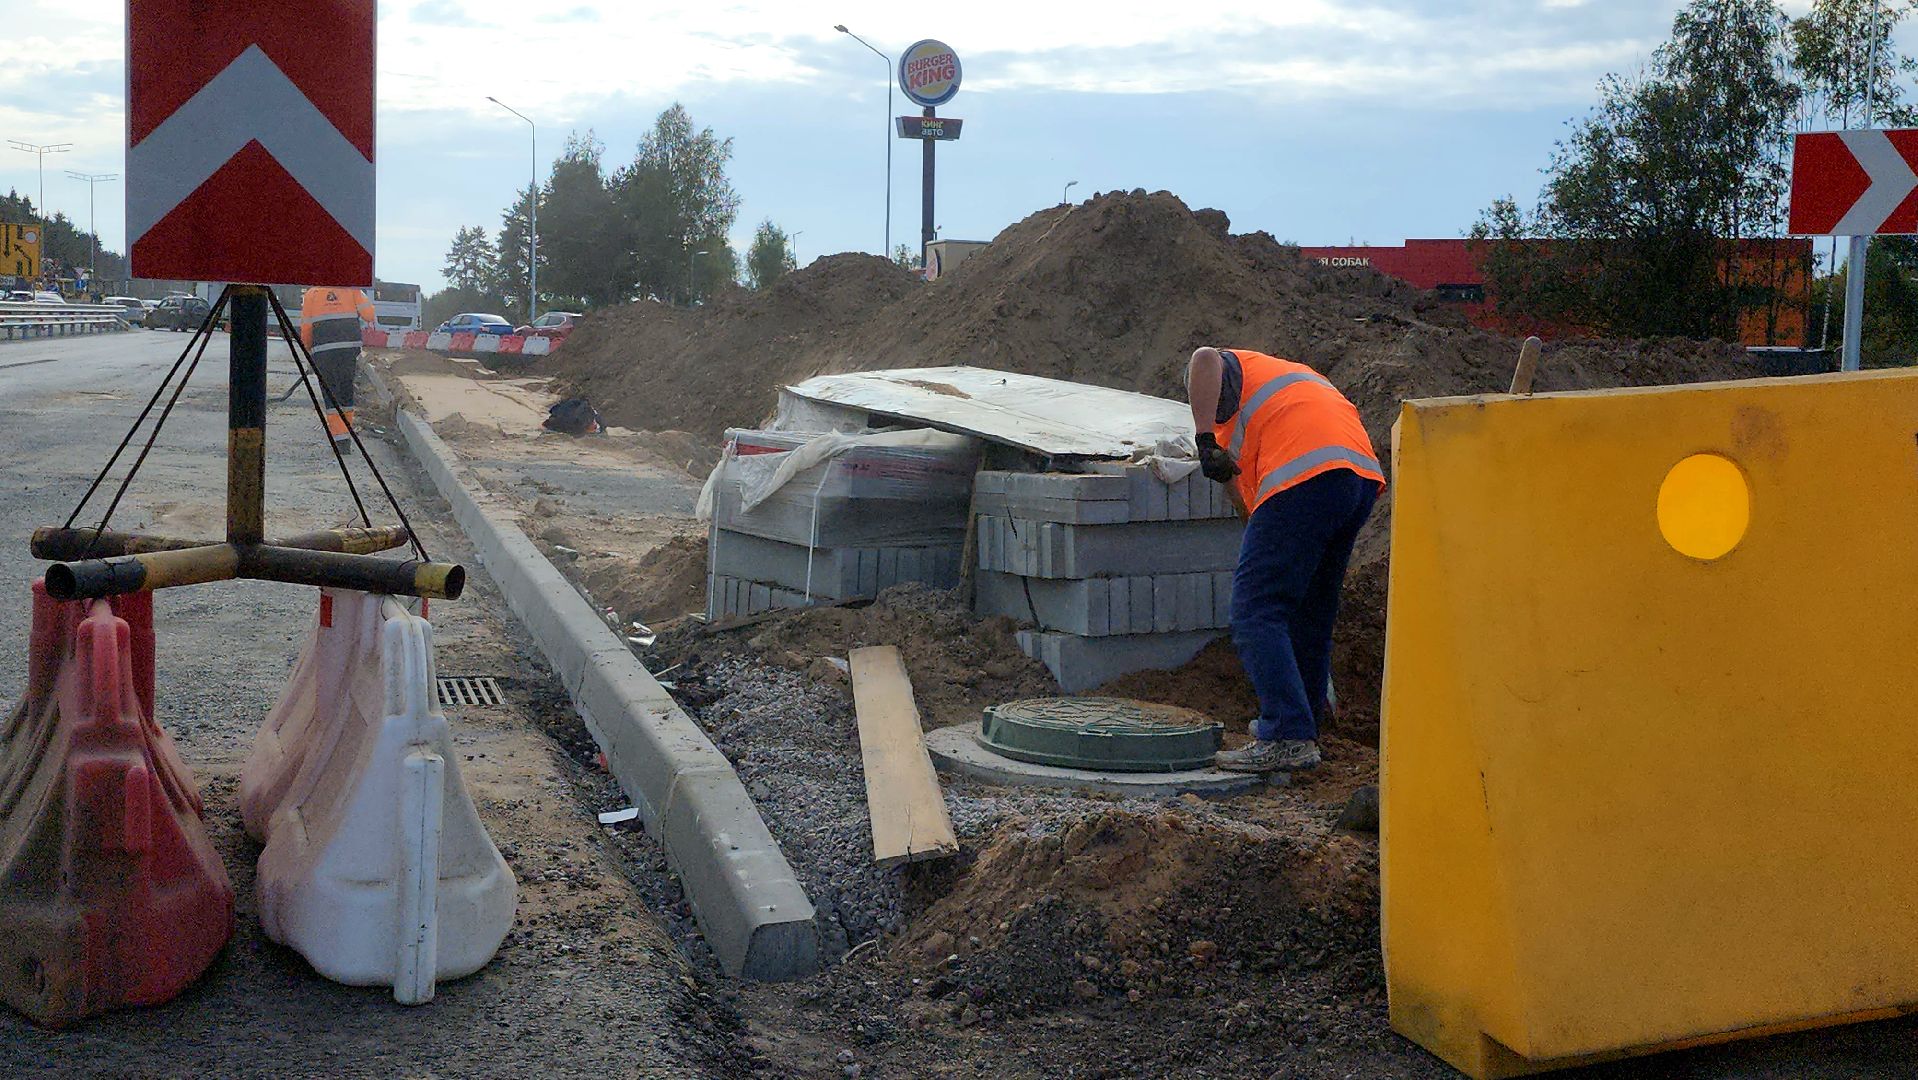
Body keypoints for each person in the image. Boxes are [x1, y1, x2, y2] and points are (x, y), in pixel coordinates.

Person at [1186, 346, 1384, 773]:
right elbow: (1248, 505)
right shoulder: (1281, 388)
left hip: (1305, 473)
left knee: (1255, 610)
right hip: (1355, 477)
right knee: (1309, 614)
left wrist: (1202, 439)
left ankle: (1287, 734)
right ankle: (1307, 723)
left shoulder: (1230, 375)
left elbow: (1204, 358)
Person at [299, 285, 377, 444]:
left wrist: (308, 351)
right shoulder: (352, 290)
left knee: (331, 393)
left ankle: (340, 437)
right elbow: (369, 315)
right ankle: (345, 434)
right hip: (348, 350)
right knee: (345, 390)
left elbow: (306, 327)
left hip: (323, 351)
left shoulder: (312, 294)